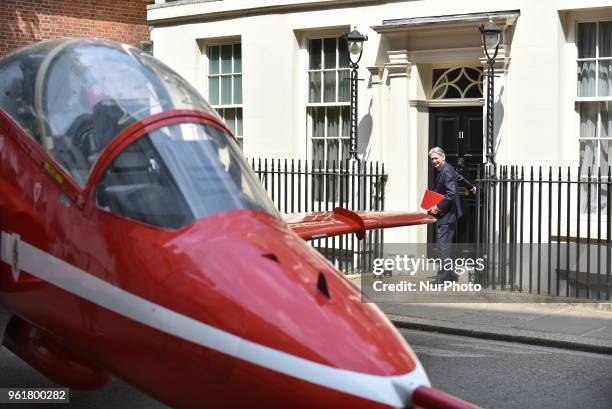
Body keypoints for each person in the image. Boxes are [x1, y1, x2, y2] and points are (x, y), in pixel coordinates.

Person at [428, 147, 476, 283]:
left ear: (443, 157)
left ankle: (442, 279)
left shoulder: (446, 171)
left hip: (446, 215)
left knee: (443, 247)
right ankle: (448, 274)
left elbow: (451, 194)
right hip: (449, 215)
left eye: (436, 158)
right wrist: (470, 187)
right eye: (432, 159)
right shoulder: (447, 168)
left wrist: (437, 207)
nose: (434, 161)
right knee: (446, 246)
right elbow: (459, 177)